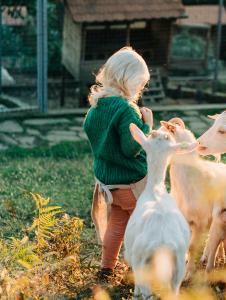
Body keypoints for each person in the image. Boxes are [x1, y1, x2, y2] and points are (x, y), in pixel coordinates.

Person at [83, 47, 152, 280]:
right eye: (138, 84)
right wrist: (146, 126)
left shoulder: (97, 105)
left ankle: (106, 269)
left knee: (116, 224)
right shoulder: (125, 109)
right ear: (126, 79)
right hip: (131, 183)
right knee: (139, 227)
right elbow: (131, 149)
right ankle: (136, 270)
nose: (139, 90)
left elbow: (92, 131)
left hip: (109, 185)